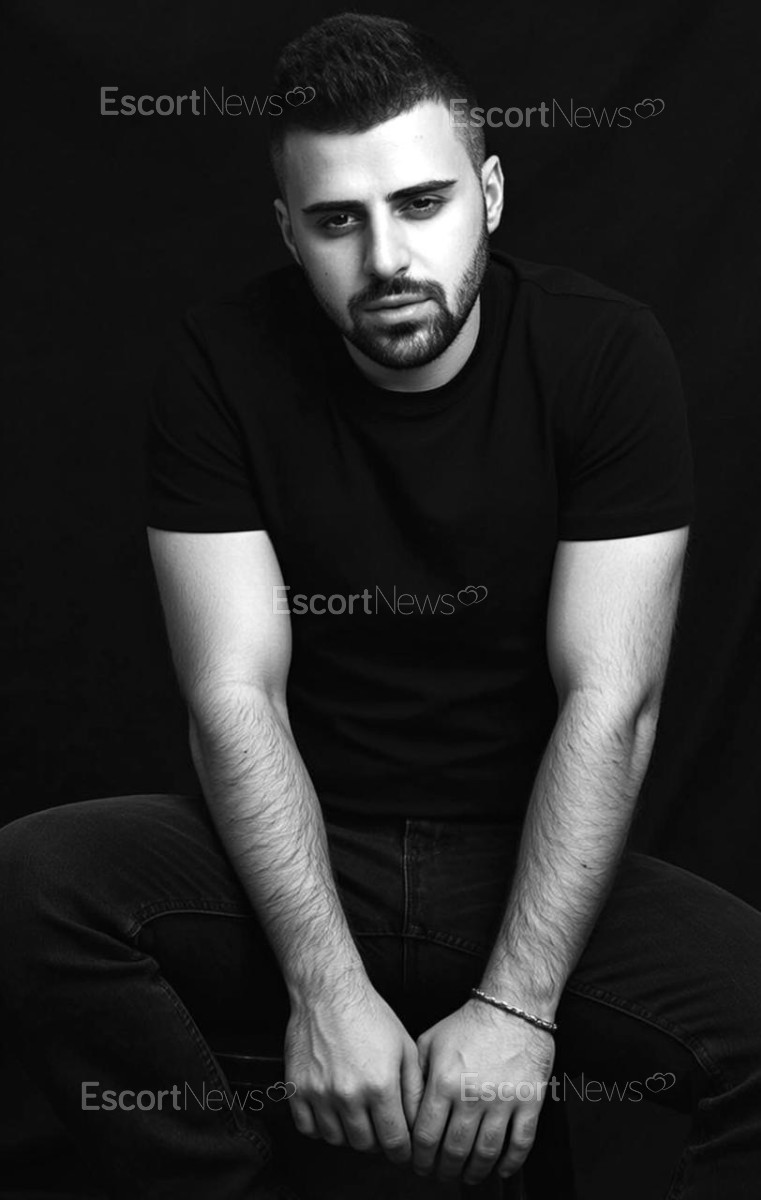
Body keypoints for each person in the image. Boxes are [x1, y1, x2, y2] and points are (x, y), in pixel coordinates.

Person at [1, 11, 760, 1199]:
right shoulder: (222, 363)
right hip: (304, 856)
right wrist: (325, 989)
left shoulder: (602, 354)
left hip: (524, 863)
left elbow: (610, 700)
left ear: (488, 195)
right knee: (35, 882)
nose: (386, 259)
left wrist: (516, 1004)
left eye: (421, 203)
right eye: (337, 221)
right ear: (288, 231)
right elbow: (232, 695)